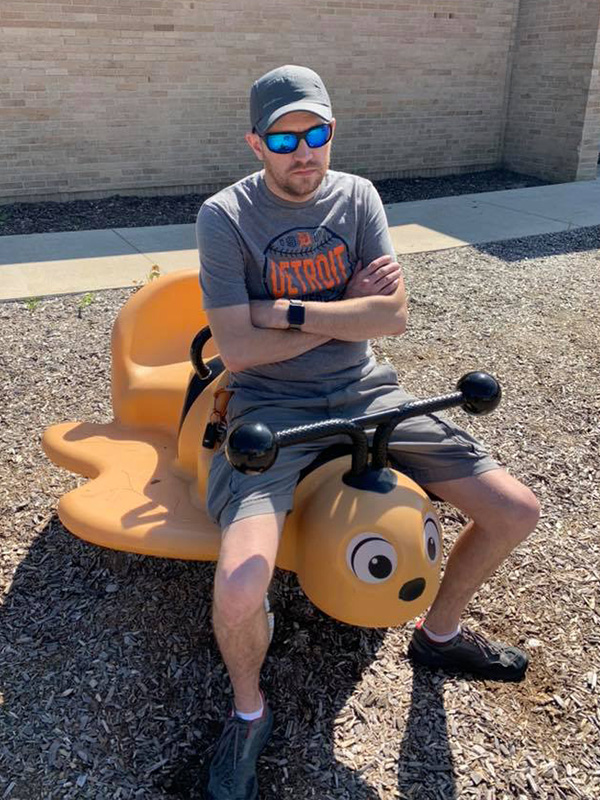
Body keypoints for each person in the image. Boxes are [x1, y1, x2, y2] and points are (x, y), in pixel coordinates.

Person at [196, 64, 540, 800]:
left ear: (331, 132)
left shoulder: (358, 197)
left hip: (368, 390)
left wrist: (283, 311)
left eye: (315, 133)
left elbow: (393, 317)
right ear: (256, 143)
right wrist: (340, 311)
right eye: (283, 139)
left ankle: (439, 635)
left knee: (516, 510)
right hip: (270, 410)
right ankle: (249, 713)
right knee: (240, 583)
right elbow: (239, 351)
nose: (303, 151)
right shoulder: (224, 216)